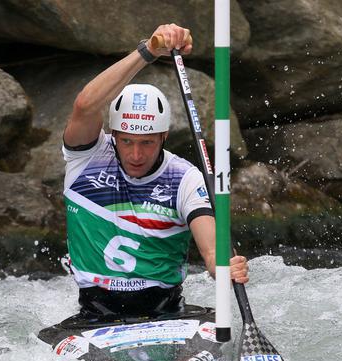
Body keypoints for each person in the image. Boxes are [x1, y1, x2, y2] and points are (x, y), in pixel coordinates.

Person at [62, 23, 248, 317]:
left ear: (164, 137)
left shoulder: (184, 178)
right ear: (113, 133)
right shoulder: (87, 158)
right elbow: (85, 104)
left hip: (168, 313)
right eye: (126, 141)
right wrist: (148, 51)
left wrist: (221, 265)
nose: (136, 154)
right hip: (95, 315)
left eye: (147, 142)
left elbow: (211, 248)